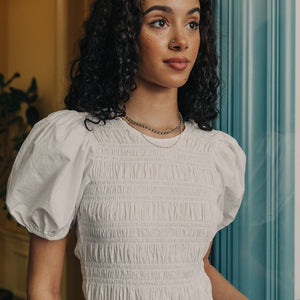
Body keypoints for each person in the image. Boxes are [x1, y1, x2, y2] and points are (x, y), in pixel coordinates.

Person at [6, 0, 248, 299]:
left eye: (192, 24)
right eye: (159, 22)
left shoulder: (215, 153)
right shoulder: (76, 141)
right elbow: (44, 289)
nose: (181, 41)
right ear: (123, 34)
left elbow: (199, 268)